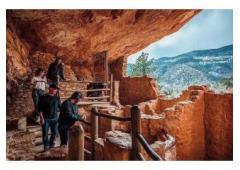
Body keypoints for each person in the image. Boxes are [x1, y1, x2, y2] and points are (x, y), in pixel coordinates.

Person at [38, 84, 61, 151]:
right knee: (45, 133)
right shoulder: (43, 97)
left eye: (56, 89)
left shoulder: (57, 98)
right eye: (54, 89)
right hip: (46, 119)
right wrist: (41, 118)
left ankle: (51, 144)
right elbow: (40, 109)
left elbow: (60, 107)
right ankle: (46, 145)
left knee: (54, 132)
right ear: (50, 88)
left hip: (55, 118)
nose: (56, 90)